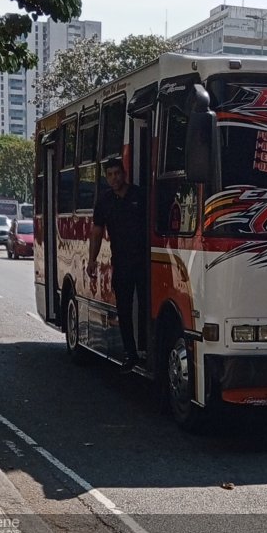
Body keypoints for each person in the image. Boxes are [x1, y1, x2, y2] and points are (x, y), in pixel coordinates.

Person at [87, 159, 146, 373]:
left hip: (144, 264)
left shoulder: (140, 196)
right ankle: (130, 355)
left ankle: (148, 350)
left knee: (146, 307)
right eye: (110, 174)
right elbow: (97, 232)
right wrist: (92, 260)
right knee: (124, 309)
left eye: (117, 173)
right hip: (121, 263)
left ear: (124, 173)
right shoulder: (104, 201)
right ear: (106, 177)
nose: (114, 178)